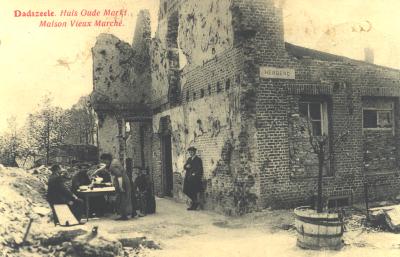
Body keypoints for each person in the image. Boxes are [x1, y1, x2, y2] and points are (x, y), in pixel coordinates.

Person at [100, 153, 133, 220]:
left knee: (122, 197)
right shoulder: (114, 161)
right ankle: (123, 214)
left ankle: (124, 215)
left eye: (104, 161)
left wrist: (120, 187)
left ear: (107, 160)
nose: (104, 163)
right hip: (124, 179)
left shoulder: (112, 165)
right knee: (122, 197)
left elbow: (119, 176)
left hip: (122, 181)